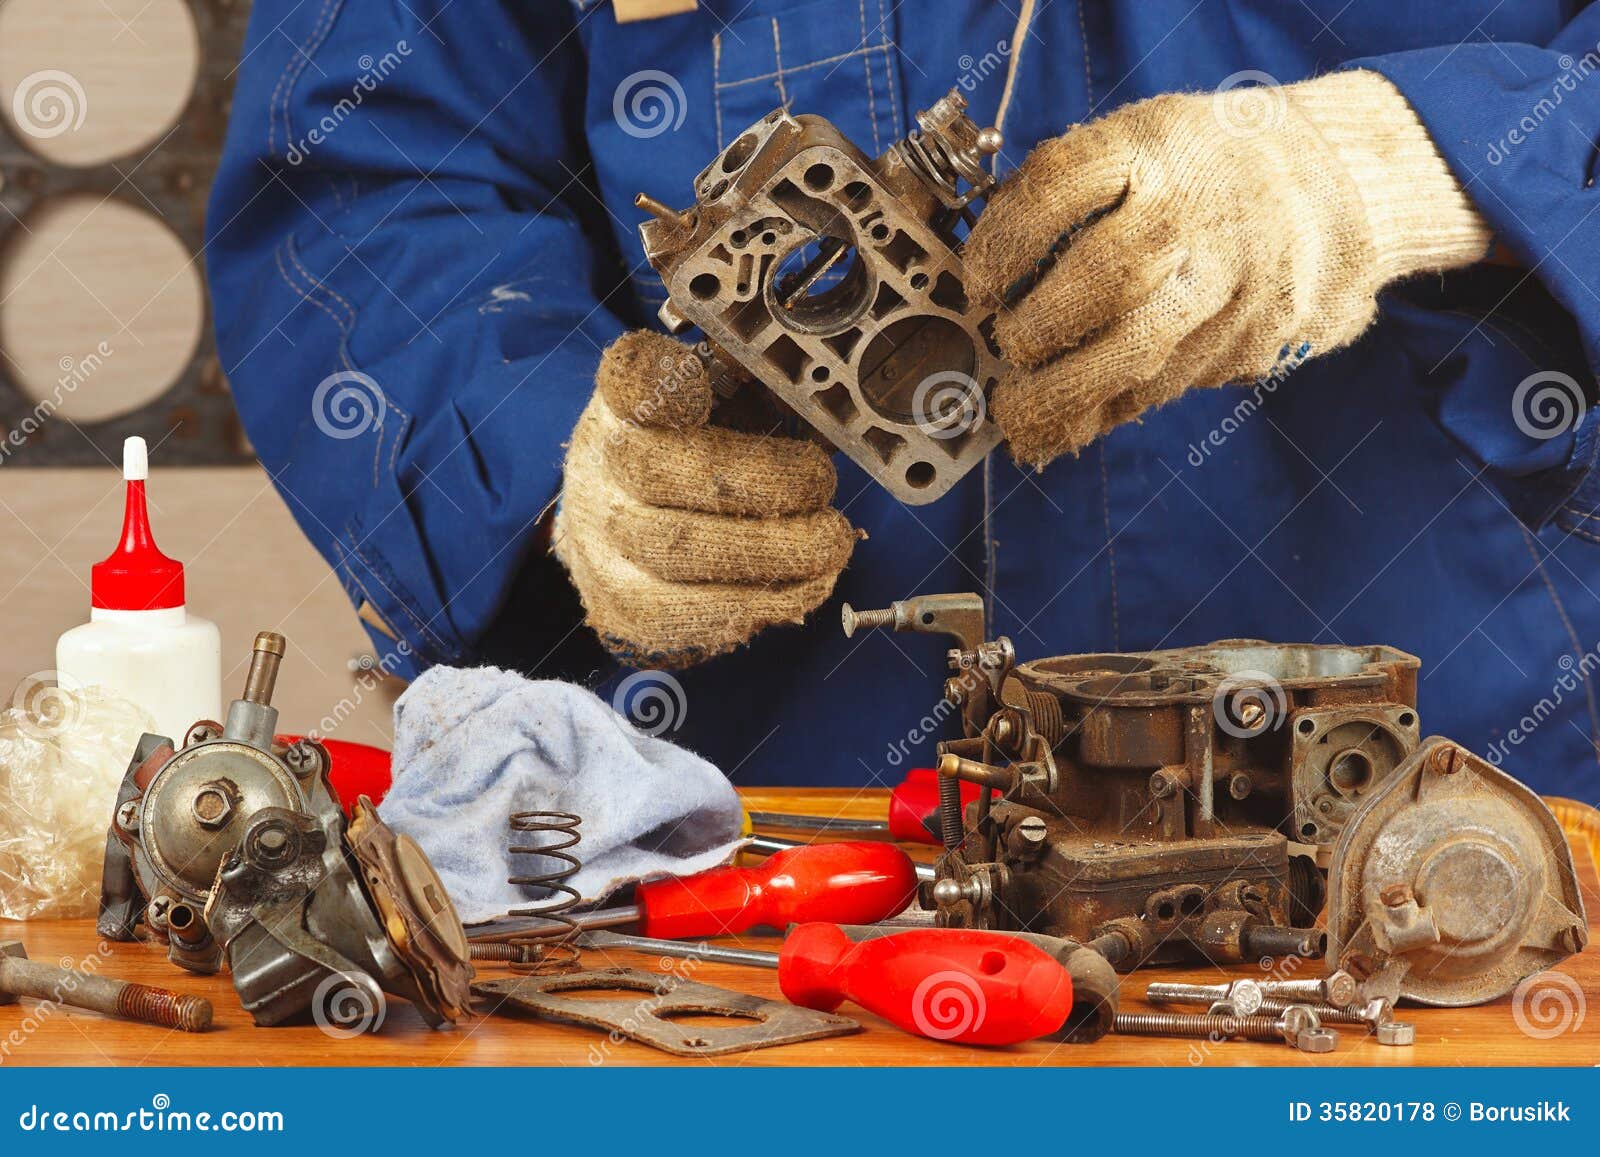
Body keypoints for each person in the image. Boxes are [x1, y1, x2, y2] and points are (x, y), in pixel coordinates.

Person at [207, 1, 1600, 798]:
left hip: (1439, 790)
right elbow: (369, 171)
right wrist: (554, 460)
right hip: (757, 847)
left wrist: (1418, 164)